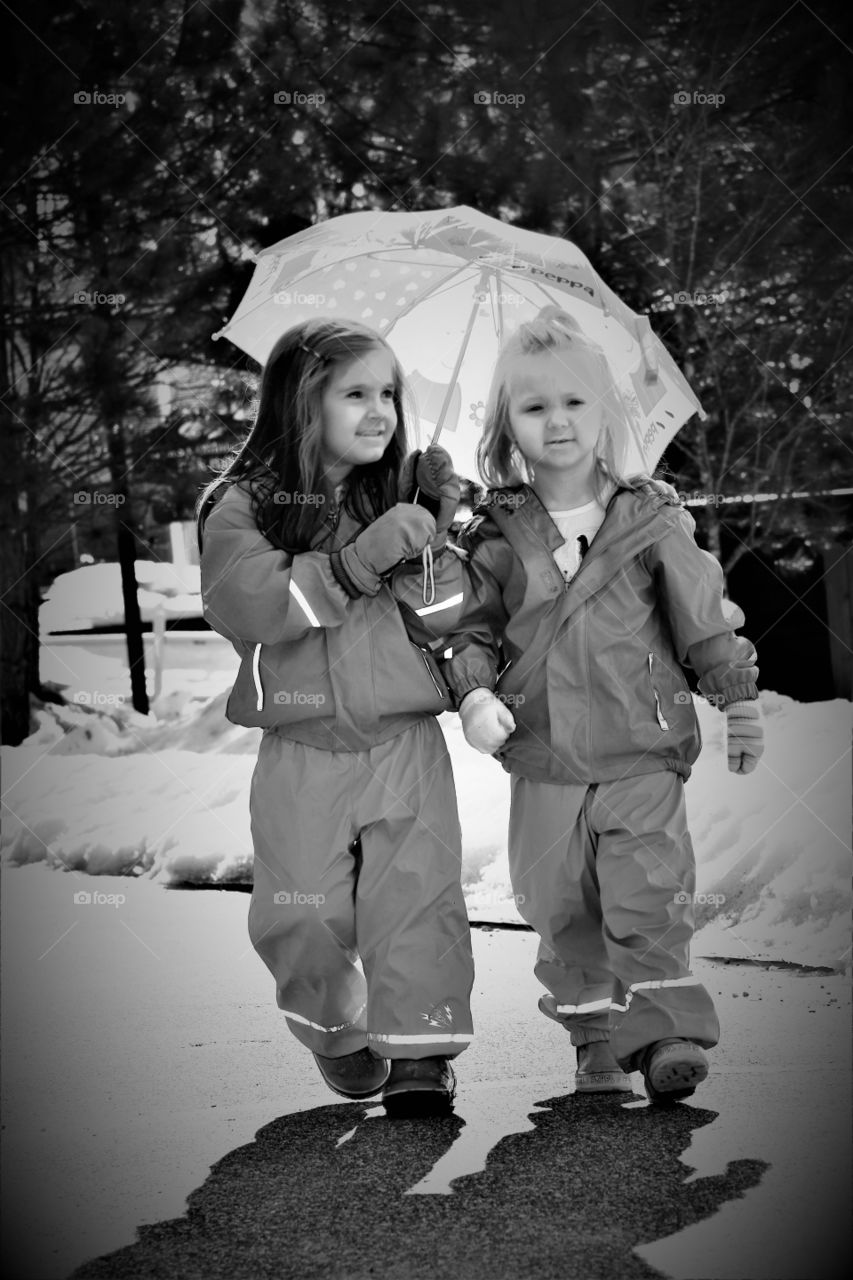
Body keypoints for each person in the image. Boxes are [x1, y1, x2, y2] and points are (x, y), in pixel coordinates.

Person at [443, 306, 763, 1103]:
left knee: (648, 894)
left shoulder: (648, 516)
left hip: (640, 749)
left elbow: (701, 615)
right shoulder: (492, 534)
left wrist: (738, 698)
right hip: (543, 757)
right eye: (534, 406)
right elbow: (469, 630)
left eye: (575, 401)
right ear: (506, 426)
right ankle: (592, 1036)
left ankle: (664, 1038)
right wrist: (475, 692)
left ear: (605, 412)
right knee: (558, 905)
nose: (557, 421)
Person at [197, 318, 473, 1117]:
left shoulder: (398, 496)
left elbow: (450, 616)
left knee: (415, 899)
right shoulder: (243, 507)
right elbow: (244, 603)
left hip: (402, 742)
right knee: (303, 914)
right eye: (356, 392)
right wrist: (356, 561)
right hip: (300, 748)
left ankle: (420, 1053)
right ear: (299, 402)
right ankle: (336, 1028)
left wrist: (438, 531)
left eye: (388, 392)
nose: (380, 408)